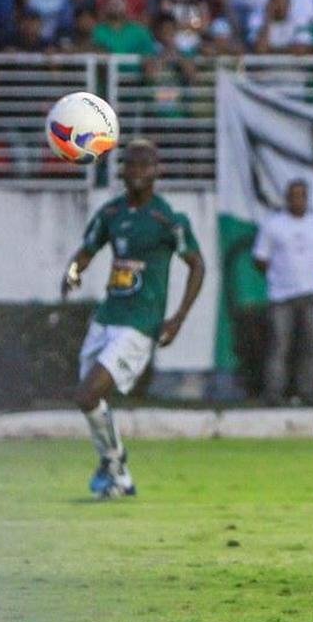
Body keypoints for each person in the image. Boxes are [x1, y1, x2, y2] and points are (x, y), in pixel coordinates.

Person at [60, 141, 206, 498]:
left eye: (145, 164)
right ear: (122, 170)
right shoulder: (111, 214)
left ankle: (114, 461)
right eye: (131, 164)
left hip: (140, 324)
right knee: (90, 401)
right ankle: (118, 473)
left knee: (87, 394)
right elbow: (87, 250)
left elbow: (197, 265)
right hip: (107, 317)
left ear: (158, 171)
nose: (137, 170)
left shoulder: (168, 220)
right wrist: (74, 271)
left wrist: (178, 319)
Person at [252, 179, 313, 406]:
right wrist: (278, 276)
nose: (298, 199)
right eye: (293, 195)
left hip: (311, 294)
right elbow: (260, 259)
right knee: (279, 346)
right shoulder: (273, 225)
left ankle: (311, 395)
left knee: (312, 348)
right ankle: (275, 395)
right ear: (287, 198)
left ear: (307, 198)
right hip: (281, 296)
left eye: (302, 195)